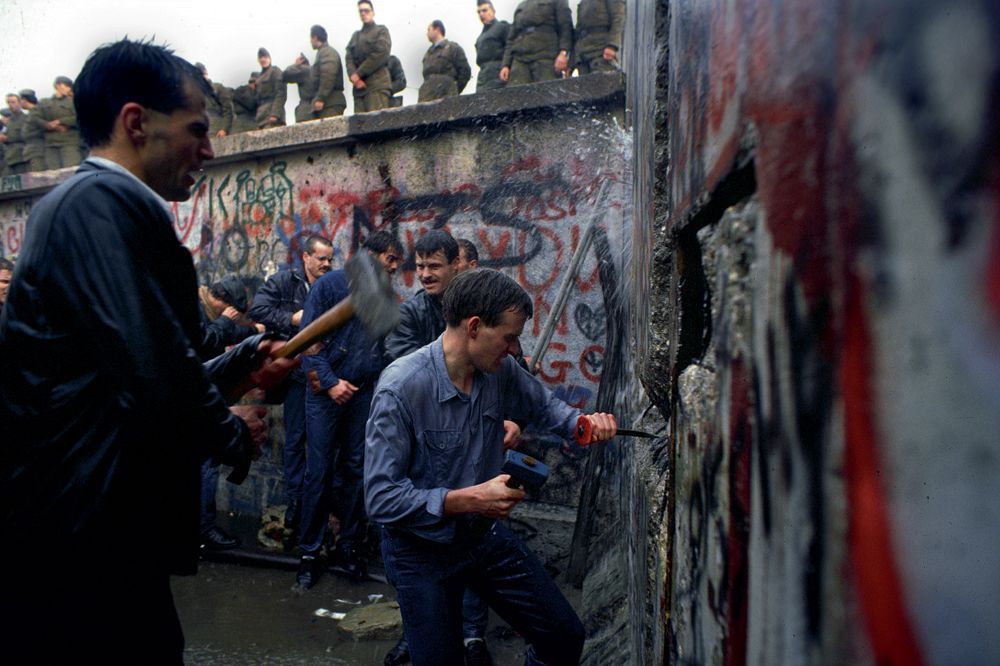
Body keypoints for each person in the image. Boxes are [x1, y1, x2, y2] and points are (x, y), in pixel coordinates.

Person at [0, 38, 294, 662]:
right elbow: (155, 380)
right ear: (136, 123)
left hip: (95, 534)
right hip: (78, 542)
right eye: (196, 130)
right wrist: (229, 432)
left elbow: (131, 375)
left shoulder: (93, 209)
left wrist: (243, 362)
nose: (209, 150)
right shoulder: (102, 206)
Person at [365, 269, 616, 665]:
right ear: (475, 327)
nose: (515, 349)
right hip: (419, 552)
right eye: (510, 337)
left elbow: (545, 406)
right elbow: (380, 499)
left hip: (480, 538)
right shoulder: (401, 387)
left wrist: (584, 425)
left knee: (563, 635)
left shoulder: (500, 371)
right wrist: (468, 499)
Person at [382, 233, 505, 666]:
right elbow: (399, 365)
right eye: (421, 266)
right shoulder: (411, 313)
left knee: (474, 539)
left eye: (436, 265)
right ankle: (418, 633)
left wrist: (512, 420)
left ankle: (472, 635)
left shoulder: (484, 306)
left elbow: (511, 365)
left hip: (476, 449)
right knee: (423, 548)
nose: (427, 274)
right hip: (429, 447)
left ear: (458, 264)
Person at [296, 230, 404, 589]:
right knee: (320, 471)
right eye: (390, 260)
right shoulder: (329, 286)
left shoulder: (382, 296)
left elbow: (388, 347)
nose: (394, 268)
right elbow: (308, 340)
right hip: (326, 394)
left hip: (363, 394)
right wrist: (330, 382)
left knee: (357, 470)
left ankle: (349, 547)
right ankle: (309, 552)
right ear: (372, 256)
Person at [248, 235, 334, 534]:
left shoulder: (332, 284)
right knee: (296, 440)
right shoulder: (285, 282)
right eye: (321, 258)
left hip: (324, 374)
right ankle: (296, 503)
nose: (327, 264)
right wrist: (292, 318)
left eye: (330, 259)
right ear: (306, 258)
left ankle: (317, 510)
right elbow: (258, 311)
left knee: (323, 444)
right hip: (297, 375)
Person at [500, 0, 574, 87]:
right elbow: (511, 39)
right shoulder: (521, 6)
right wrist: (506, 65)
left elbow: (566, 27)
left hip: (546, 58)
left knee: (548, 94)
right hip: (520, 60)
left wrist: (563, 52)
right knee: (516, 96)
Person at [346, 0, 393, 113]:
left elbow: (380, 54)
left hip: (377, 87)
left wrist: (358, 73)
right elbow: (349, 57)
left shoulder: (381, 31)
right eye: (360, 11)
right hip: (359, 90)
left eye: (366, 10)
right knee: (359, 129)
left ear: (373, 12)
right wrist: (355, 79)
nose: (363, 13)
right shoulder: (355, 36)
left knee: (377, 126)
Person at [418, 20, 472, 103]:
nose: (427, 34)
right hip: (427, 96)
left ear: (437, 29)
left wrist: (454, 89)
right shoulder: (427, 54)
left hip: (446, 97)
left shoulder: (452, 48)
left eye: (429, 30)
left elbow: (465, 71)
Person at [38, 75, 84, 169]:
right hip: (51, 144)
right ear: (57, 85)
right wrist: (49, 126)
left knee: (71, 172)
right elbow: (35, 119)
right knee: (53, 176)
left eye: (69, 87)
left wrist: (61, 121)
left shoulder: (74, 101)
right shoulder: (44, 102)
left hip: (69, 143)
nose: (68, 89)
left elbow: (80, 117)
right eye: (66, 86)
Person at [574, 0, 626, 75]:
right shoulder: (583, 2)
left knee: (602, 82)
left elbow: (618, 18)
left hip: (601, 52)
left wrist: (612, 46)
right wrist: (574, 59)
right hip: (584, 57)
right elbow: (578, 30)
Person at [310, 24, 348, 119]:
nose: (310, 41)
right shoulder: (323, 52)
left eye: (311, 38)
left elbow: (328, 76)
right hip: (328, 103)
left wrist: (320, 98)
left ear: (315, 37)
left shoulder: (327, 52)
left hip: (330, 103)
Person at [474, 1, 510, 92]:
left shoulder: (502, 27)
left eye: (484, 10)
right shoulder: (480, 38)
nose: (481, 14)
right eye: (479, 12)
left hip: (498, 74)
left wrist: (506, 65)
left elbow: (510, 47)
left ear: (493, 11)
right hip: (483, 77)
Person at [196, 62, 235, 138]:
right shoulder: (195, 93)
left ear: (206, 73)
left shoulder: (218, 88)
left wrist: (224, 129)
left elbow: (228, 111)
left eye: (203, 74)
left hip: (217, 131)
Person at [255, 47, 286, 128]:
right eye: (260, 58)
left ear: (270, 58)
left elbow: (281, 94)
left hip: (272, 115)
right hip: (261, 117)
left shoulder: (275, 71)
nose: (263, 60)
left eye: (265, 57)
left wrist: (275, 114)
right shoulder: (258, 78)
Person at [284, 52, 319, 123]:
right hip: (317, 106)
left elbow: (285, 75)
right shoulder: (314, 71)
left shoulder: (303, 70)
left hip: (306, 110)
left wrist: (296, 65)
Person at [19, 89, 47, 172]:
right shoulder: (30, 113)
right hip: (31, 151)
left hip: (38, 151)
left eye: (21, 99)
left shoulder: (37, 111)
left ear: (25, 100)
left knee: (39, 177)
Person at [3, 93, 27, 175]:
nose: (10, 105)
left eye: (13, 102)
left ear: (20, 103)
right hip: (10, 157)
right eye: (8, 103)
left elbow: (25, 136)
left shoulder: (26, 119)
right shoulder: (10, 121)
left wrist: (7, 138)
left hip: (21, 157)